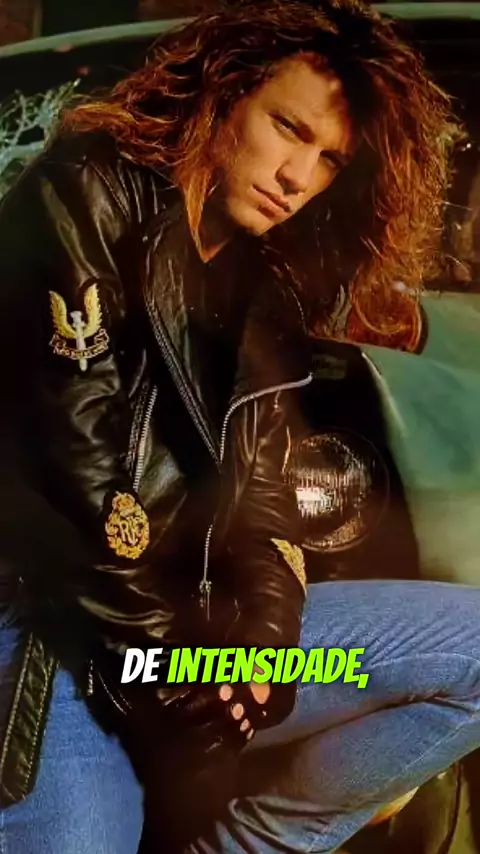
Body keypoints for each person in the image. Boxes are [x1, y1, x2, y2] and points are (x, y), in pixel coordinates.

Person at [0, 1, 479, 853]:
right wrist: (173, 690)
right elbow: (78, 479)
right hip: (61, 640)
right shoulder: (86, 192)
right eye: (288, 129)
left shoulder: (262, 285)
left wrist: (262, 654)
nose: (298, 177)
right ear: (222, 94)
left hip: (192, 640)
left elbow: (264, 505)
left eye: (329, 160)